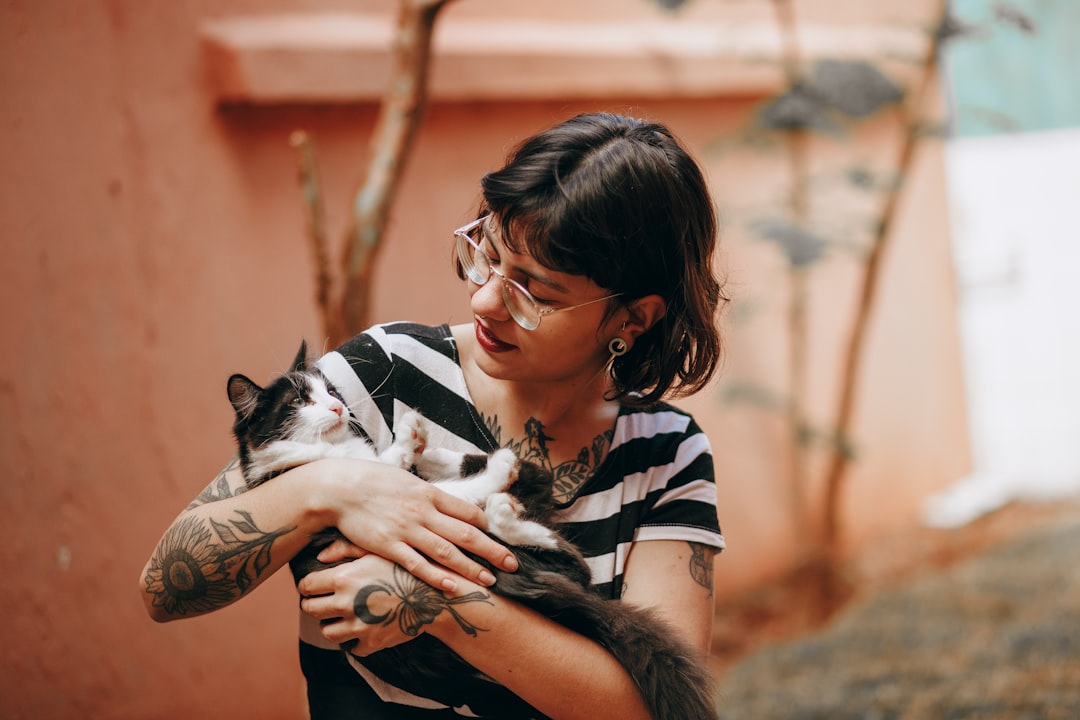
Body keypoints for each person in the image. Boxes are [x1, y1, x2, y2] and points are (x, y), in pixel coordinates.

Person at [139, 111, 727, 719]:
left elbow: (654, 708)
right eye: (486, 256)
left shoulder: (666, 453)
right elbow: (165, 587)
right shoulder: (383, 374)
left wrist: (442, 602)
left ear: (634, 318)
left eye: (535, 293)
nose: (485, 300)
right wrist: (334, 486)